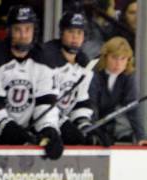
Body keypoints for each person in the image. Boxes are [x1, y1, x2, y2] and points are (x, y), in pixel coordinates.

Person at [0, 5, 63, 159]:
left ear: (35, 31)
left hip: (16, 135)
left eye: (27, 29)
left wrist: (49, 131)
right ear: (9, 31)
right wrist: (25, 140)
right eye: (17, 30)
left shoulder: (45, 61)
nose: (23, 35)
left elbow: (46, 106)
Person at [43, 11, 108, 146]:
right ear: (61, 33)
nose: (75, 37)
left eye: (79, 33)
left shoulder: (85, 65)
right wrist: (63, 124)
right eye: (71, 31)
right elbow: (42, 103)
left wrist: (84, 124)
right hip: (40, 125)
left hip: (60, 122)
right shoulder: (46, 59)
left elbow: (80, 102)